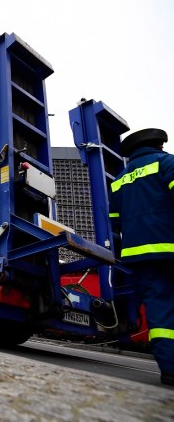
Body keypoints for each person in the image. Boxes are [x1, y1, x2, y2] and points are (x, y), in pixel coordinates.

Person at [108, 128, 174, 387]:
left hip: (139, 256)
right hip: (169, 247)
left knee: (160, 311)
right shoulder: (167, 162)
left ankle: (170, 369)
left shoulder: (120, 179)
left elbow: (114, 222)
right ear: (159, 144)